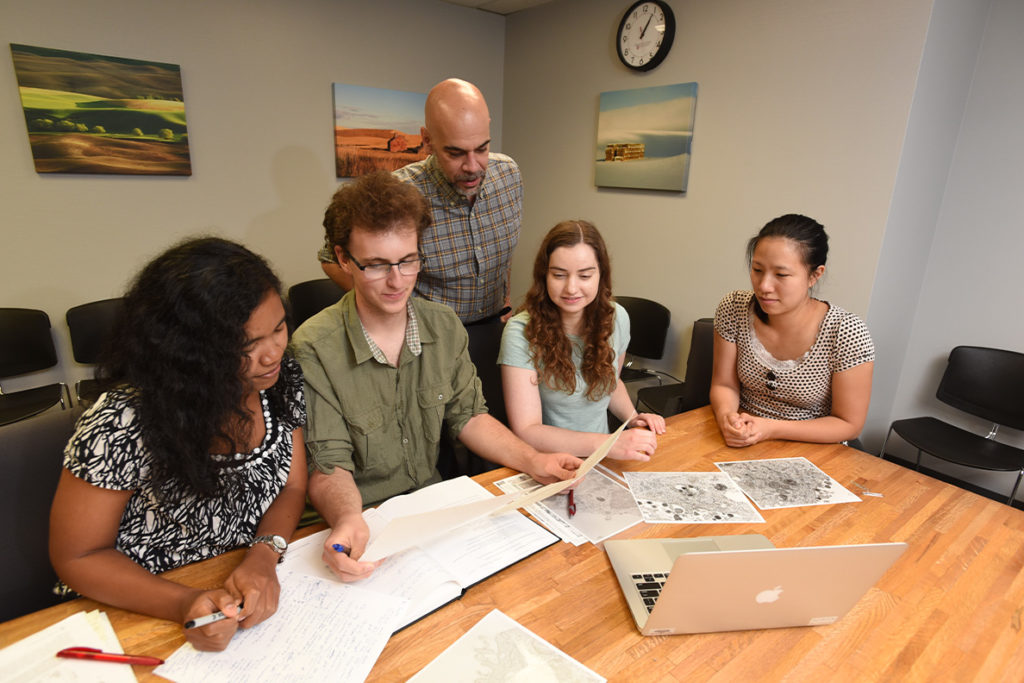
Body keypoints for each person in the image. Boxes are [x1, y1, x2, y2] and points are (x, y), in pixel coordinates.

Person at [292, 171, 580, 583]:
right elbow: (329, 464)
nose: (397, 281)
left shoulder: (443, 326)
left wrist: (534, 460)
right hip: (360, 523)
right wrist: (348, 518)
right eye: (375, 265)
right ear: (342, 259)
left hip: (430, 514)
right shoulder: (314, 348)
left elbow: (469, 416)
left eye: (408, 261)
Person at [49, 238, 308, 652]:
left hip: (239, 584)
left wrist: (263, 555)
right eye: (246, 346)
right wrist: (184, 600)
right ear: (190, 354)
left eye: (279, 327)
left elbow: (293, 486)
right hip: (139, 604)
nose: (272, 352)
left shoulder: (280, 381)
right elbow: (79, 557)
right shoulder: (122, 420)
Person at [318, 78, 521, 324]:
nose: (472, 167)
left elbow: (505, 252)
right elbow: (331, 260)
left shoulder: (509, 175)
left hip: (494, 325)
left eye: (482, 149)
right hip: (431, 338)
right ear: (427, 140)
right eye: (455, 153)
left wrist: (506, 299)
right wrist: (392, 310)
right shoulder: (397, 192)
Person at [499, 220, 666, 460]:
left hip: (601, 459)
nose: (571, 288)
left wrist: (632, 419)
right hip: (546, 462)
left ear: (601, 274)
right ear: (544, 275)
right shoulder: (520, 331)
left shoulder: (617, 317)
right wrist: (609, 443)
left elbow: (611, 381)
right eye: (559, 275)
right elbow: (527, 431)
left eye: (585, 275)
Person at [709, 214, 874, 448]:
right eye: (757, 270)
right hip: (743, 435)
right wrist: (727, 417)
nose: (764, 286)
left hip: (813, 448)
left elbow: (848, 423)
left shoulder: (846, 332)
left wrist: (770, 429)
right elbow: (724, 384)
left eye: (781, 275)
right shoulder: (735, 307)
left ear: (814, 275)